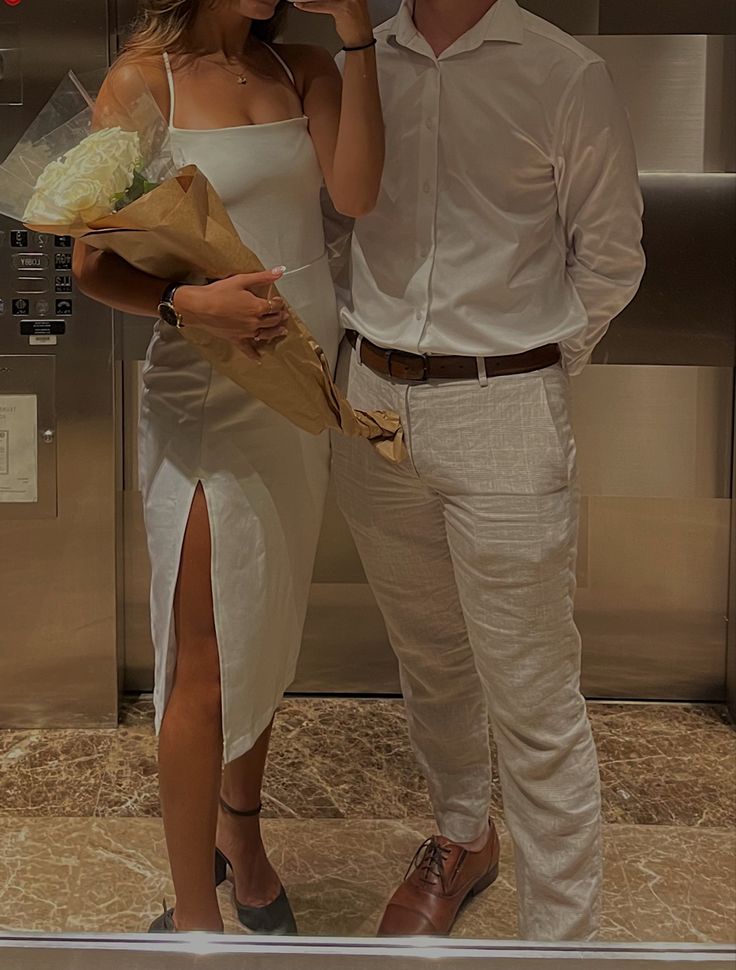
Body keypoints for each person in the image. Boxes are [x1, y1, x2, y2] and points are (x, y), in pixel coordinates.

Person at [330, 0, 645, 941]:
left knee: (536, 696)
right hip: (373, 401)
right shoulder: (360, 60)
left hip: (505, 404)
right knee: (429, 660)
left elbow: (612, 256)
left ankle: (563, 939)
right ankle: (461, 835)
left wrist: (528, 370)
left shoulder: (563, 72)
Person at [72, 0, 384, 934]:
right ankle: (194, 917)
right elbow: (91, 261)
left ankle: (239, 832)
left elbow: (358, 194)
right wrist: (188, 305)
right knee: (202, 653)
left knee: (268, 625)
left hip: (297, 395)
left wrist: (358, 33)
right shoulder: (142, 80)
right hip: (204, 398)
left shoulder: (304, 69)